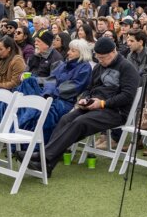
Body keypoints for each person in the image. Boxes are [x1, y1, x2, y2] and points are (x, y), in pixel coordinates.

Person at [24, 36, 139, 175]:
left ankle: (44, 156)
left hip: (115, 111)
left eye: (103, 58)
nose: (101, 61)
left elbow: (127, 96)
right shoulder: (98, 66)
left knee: (80, 122)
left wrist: (102, 103)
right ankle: (47, 165)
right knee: (66, 119)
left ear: (114, 51)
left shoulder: (127, 68)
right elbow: (89, 88)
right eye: (99, 58)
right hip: (94, 105)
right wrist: (84, 99)